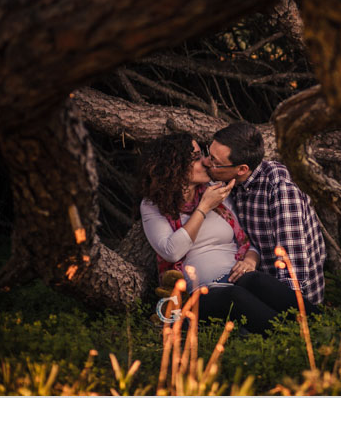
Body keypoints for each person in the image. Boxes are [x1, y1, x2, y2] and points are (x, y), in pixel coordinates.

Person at [138, 133, 319, 334]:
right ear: (176, 167)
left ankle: (325, 327)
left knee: (258, 281)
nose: (206, 162)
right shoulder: (153, 206)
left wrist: (250, 261)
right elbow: (172, 252)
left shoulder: (216, 191)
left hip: (236, 275)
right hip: (200, 293)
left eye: (203, 154)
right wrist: (204, 207)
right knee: (234, 297)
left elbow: (247, 243)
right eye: (197, 158)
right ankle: (294, 340)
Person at [203, 122, 327, 304]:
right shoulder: (230, 183)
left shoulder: (280, 189)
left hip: (290, 299)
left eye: (215, 162)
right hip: (255, 285)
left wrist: (289, 318)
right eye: (209, 154)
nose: (206, 162)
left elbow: (293, 267)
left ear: (242, 169)